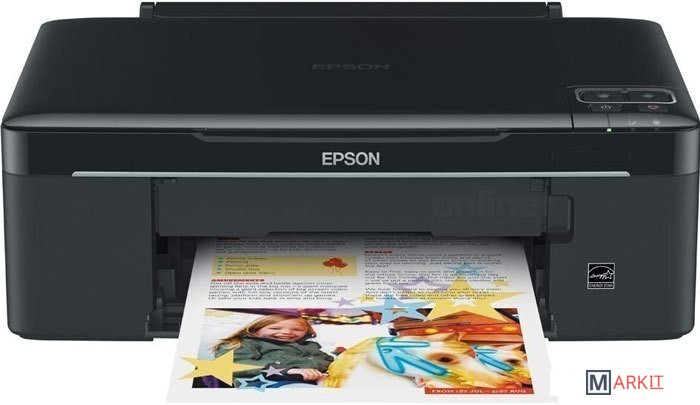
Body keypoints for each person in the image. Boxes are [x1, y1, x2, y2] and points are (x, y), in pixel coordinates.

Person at [211, 313, 335, 384]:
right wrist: (286, 370)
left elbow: (328, 362)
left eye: (297, 329)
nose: (287, 332)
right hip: (266, 384)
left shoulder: (309, 347)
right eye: (275, 328)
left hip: (315, 381)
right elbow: (230, 365)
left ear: (306, 332)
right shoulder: (243, 343)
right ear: (256, 330)